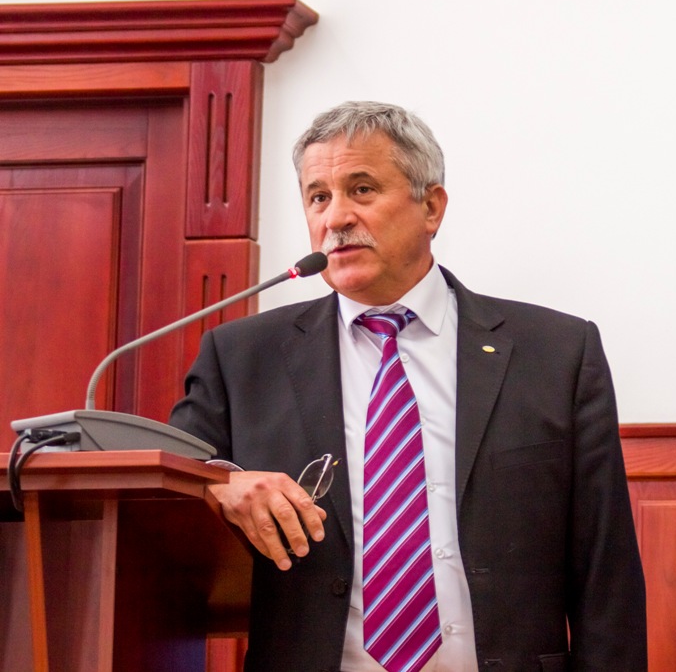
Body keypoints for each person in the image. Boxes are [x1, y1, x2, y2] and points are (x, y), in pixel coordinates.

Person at [170, 101, 647, 672]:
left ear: (431, 206)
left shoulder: (556, 353)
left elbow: (605, 571)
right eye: (318, 197)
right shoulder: (242, 357)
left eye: (362, 189)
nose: (336, 217)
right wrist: (222, 485)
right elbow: (168, 492)